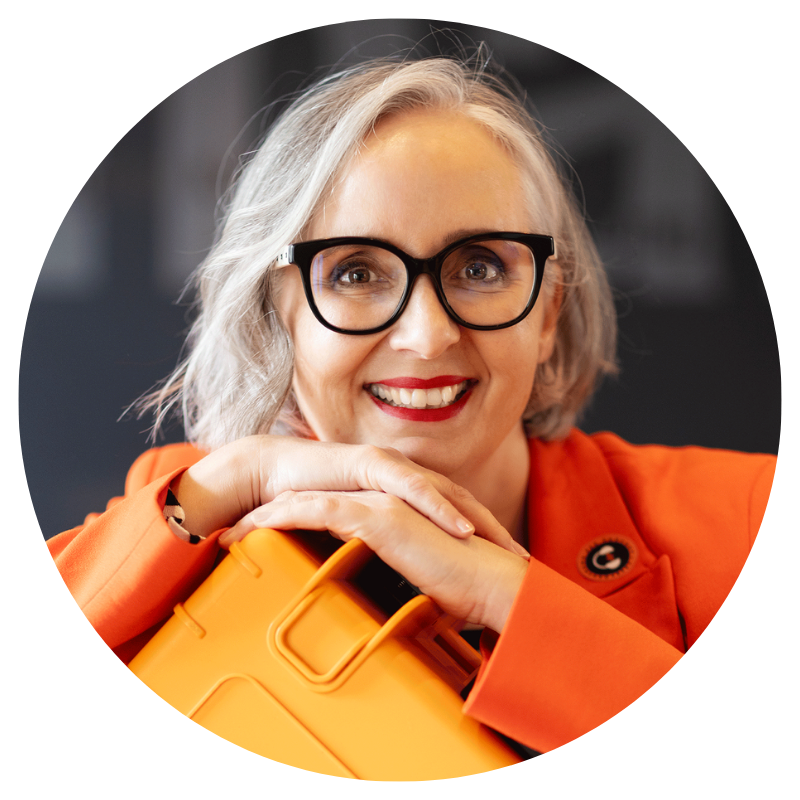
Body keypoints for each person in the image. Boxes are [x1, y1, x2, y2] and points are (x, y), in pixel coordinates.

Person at [46, 52, 776, 757]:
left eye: (479, 267)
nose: (427, 337)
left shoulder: (741, 516)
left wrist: (512, 600)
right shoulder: (188, 511)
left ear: (549, 311)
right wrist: (233, 481)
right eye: (356, 272)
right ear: (278, 316)